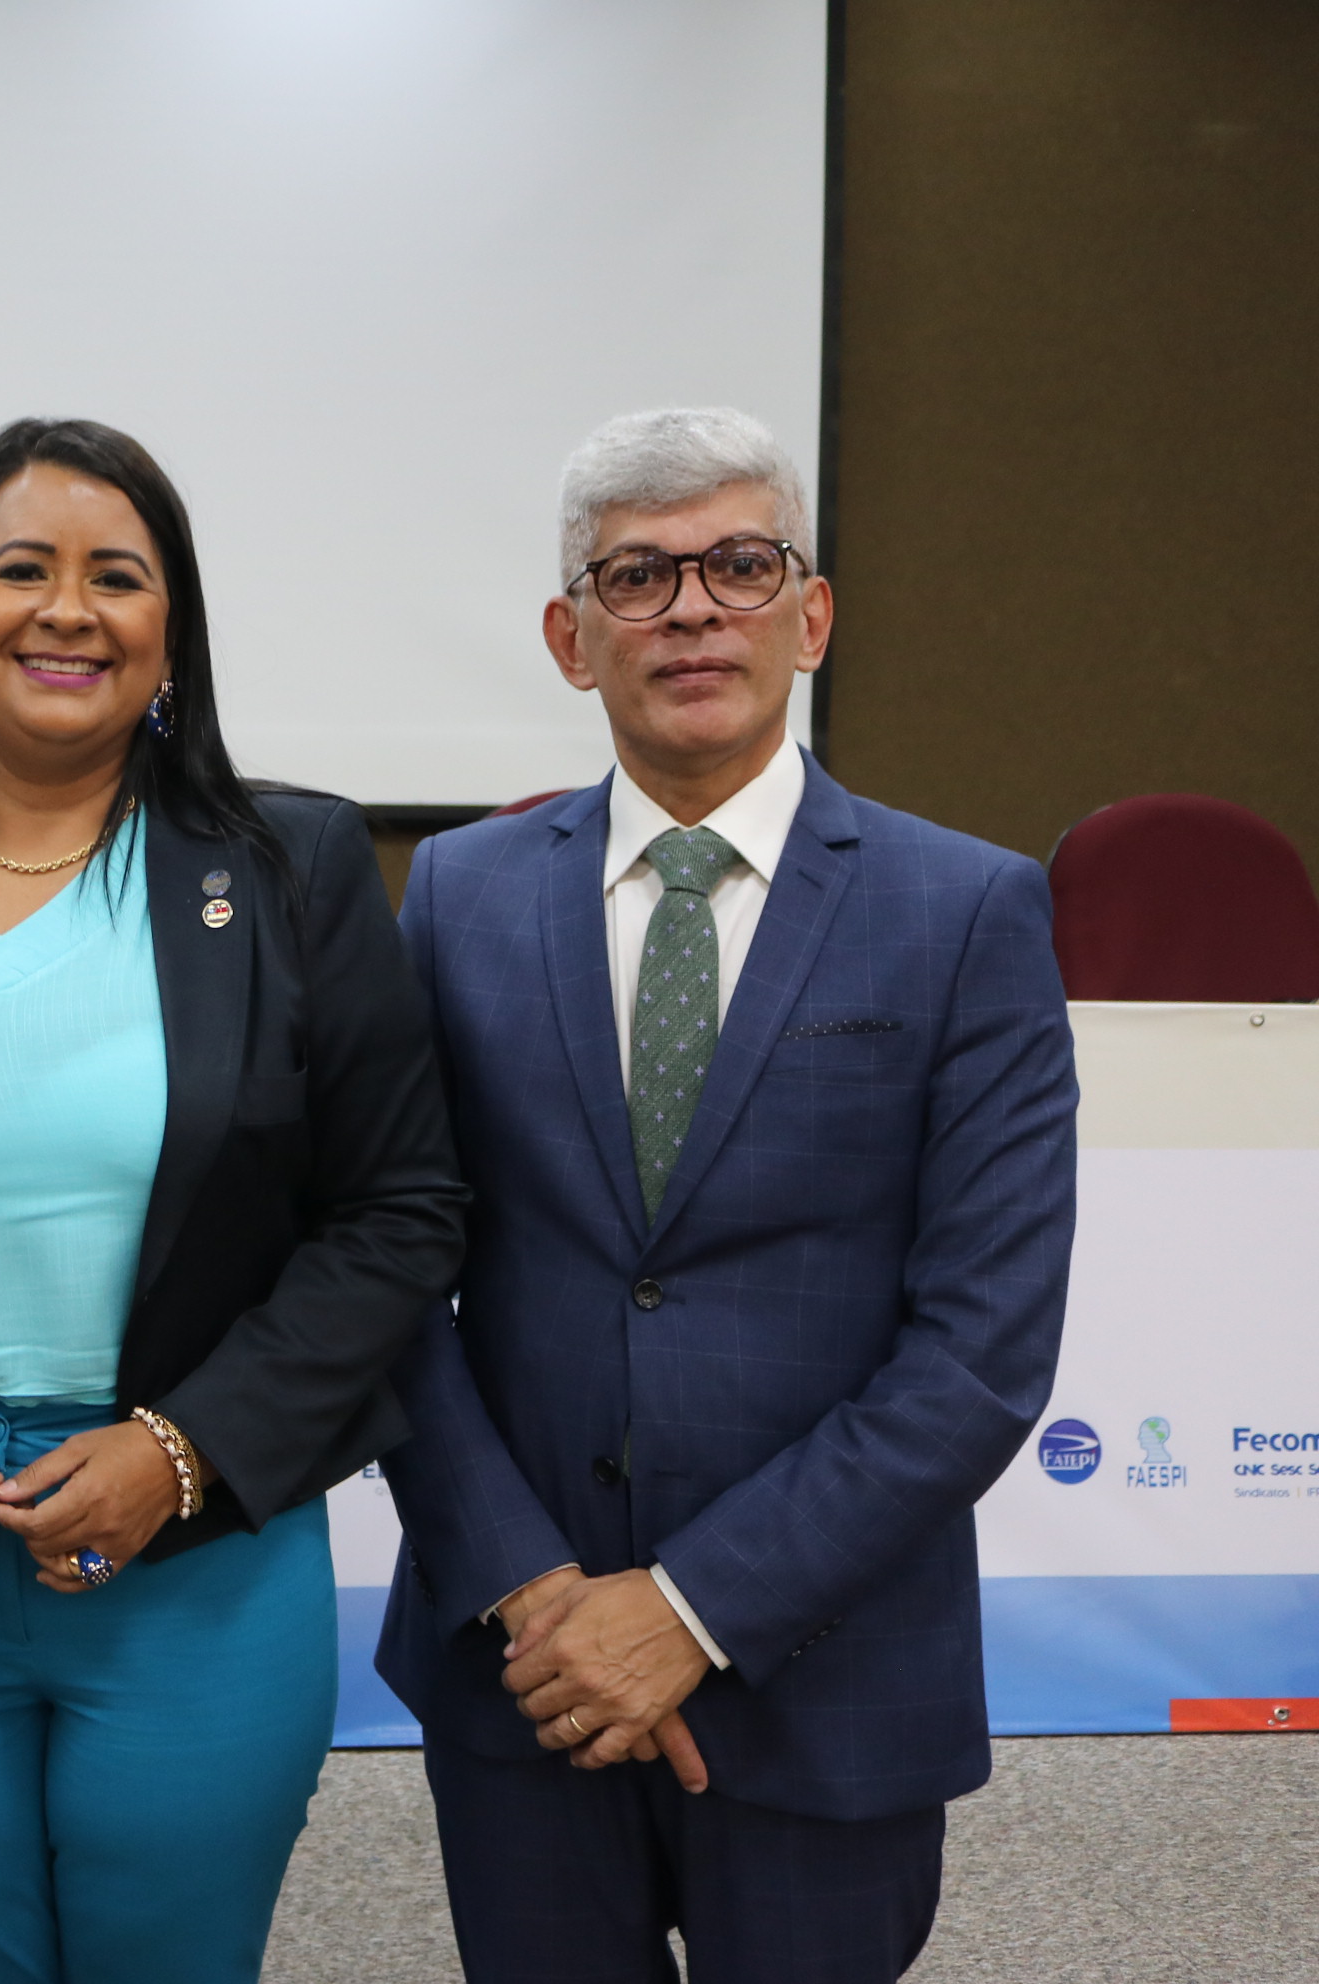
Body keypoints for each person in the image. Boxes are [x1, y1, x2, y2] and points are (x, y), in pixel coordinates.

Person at [0, 418, 468, 1984]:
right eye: (24, 571)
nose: (69, 610)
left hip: (192, 1558)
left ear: (171, 637)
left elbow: (399, 1211)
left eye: (117, 577)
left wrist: (180, 1454)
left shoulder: (290, 868)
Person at [374, 407, 1078, 1982]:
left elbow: (979, 1354)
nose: (693, 609)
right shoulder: (459, 900)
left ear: (810, 616)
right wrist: (539, 1598)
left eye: (741, 566)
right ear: (571, 639)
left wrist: (685, 1612)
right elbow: (393, 1276)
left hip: (829, 1682)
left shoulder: (967, 910)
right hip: (524, 1673)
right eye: (638, 576)